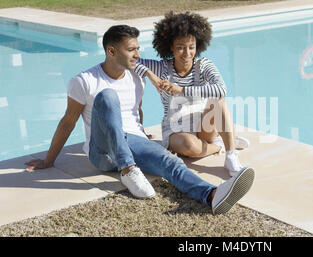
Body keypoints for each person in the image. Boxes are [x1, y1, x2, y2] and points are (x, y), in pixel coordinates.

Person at [24, 24, 254, 215]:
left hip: (133, 141)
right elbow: (68, 121)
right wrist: (49, 160)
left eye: (137, 49)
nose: (137, 54)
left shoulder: (137, 78)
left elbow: (136, 111)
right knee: (108, 97)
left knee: (170, 161)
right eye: (131, 50)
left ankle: (212, 195)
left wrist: (143, 134)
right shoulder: (84, 80)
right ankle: (128, 170)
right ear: (111, 52)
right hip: (103, 152)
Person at [134, 11, 250, 177]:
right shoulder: (161, 68)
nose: (187, 53)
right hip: (175, 130)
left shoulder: (203, 65)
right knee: (189, 146)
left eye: (191, 47)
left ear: (198, 45)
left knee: (218, 100)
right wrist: (150, 75)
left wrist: (181, 89)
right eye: (180, 47)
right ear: (171, 47)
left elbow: (221, 89)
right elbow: (127, 60)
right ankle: (220, 145)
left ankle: (231, 155)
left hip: (204, 126)